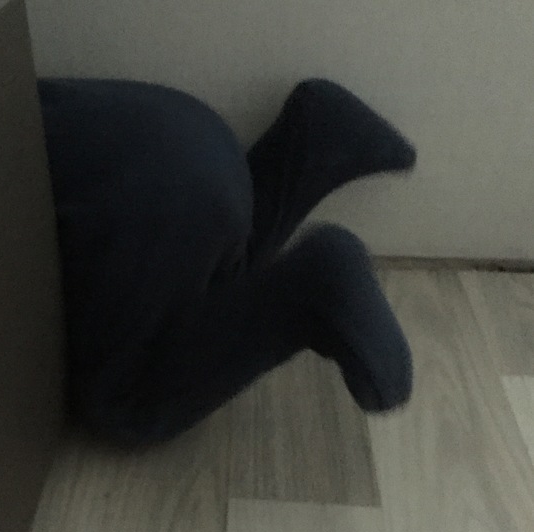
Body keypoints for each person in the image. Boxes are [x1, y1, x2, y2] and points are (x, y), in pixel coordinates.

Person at [38, 78, 416, 445]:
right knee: (208, 277)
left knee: (122, 402)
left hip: (149, 202)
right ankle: (313, 143)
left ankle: (310, 291)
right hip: (175, 130)